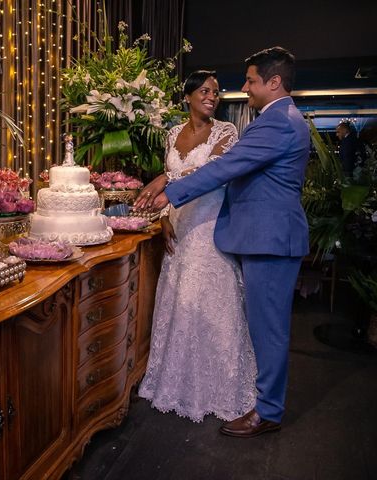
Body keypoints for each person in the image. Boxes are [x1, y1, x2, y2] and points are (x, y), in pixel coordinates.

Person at [135, 46, 310, 438]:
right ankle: (265, 404)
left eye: (250, 80)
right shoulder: (279, 119)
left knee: (269, 329)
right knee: (266, 326)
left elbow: (228, 167)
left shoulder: (277, 122)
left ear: (274, 81)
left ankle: (267, 411)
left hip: (270, 240)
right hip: (264, 237)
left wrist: (170, 190)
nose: (244, 88)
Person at [137, 71, 257, 423]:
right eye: (204, 91)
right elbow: (167, 188)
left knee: (211, 302)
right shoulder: (173, 133)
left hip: (209, 228)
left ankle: (217, 386)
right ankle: (174, 381)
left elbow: (214, 174)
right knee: (181, 302)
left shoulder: (226, 132)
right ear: (188, 96)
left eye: (216, 92)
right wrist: (162, 220)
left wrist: (166, 178)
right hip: (179, 227)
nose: (212, 96)